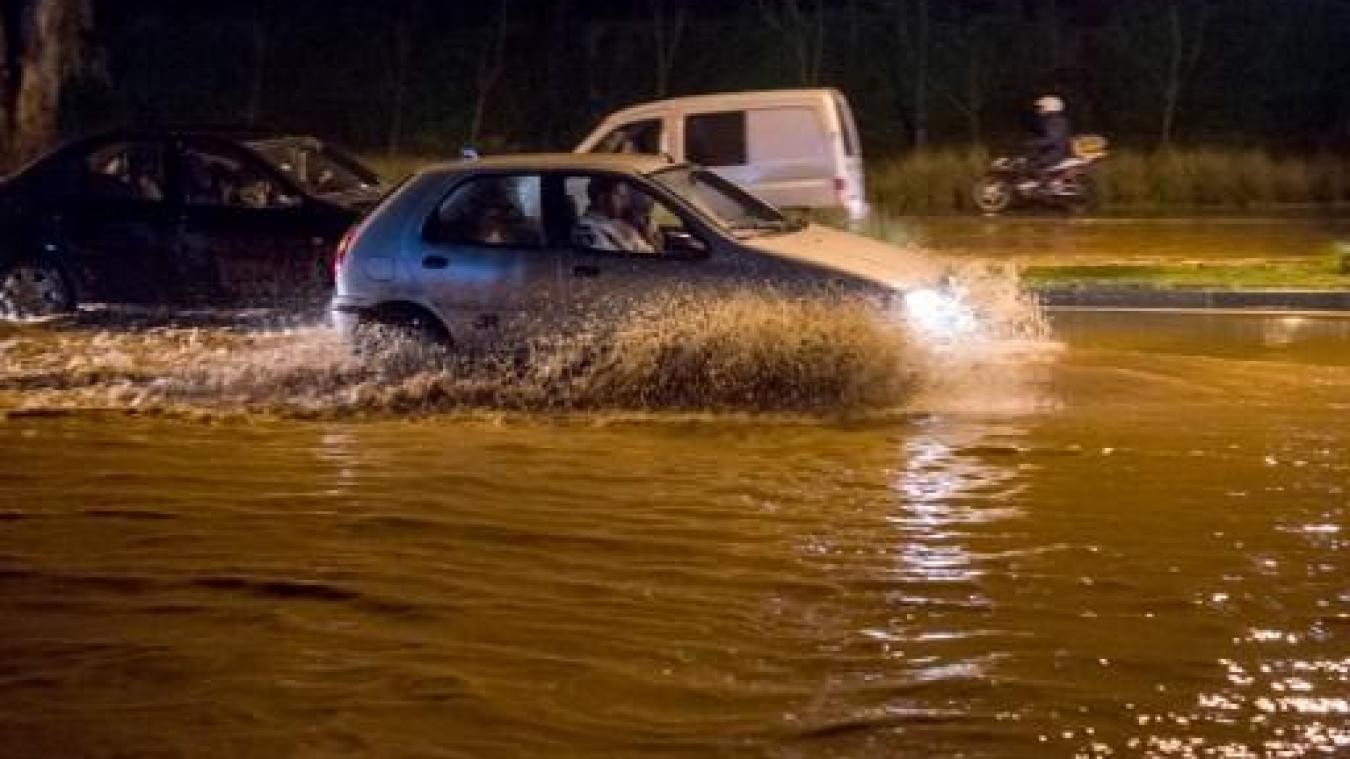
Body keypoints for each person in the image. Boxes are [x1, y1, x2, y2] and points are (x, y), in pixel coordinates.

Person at [572, 177, 655, 253]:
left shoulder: (618, 224)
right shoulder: (587, 229)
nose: (625, 201)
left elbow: (647, 250)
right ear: (602, 197)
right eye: (620, 196)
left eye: (624, 197)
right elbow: (610, 261)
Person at [1025, 94, 1072, 184]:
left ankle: (1044, 186)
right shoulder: (1051, 120)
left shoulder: (1055, 121)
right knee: (1027, 160)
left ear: (1049, 107)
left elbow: (1052, 139)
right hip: (1052, 150)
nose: (1039, 110)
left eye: (1041, 107)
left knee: (1032, 165)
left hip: (1056, 152)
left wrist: (1033, 143)